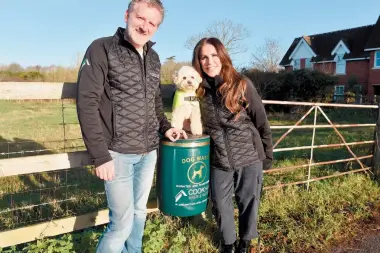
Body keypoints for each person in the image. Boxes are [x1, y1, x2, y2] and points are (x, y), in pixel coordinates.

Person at [76, 1, 187, 252]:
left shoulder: (154, 57)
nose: (145, 26)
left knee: (139, 214)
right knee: (121, 224)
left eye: (152, 23)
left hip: (148, 152)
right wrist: (100, 155)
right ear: (127, 15)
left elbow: (155, 102)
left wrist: (166, 127)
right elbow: (87, 102)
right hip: (117, 154)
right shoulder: (101, 48)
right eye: (141, 18)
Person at [192, 38, 273, 253]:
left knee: (248, 201)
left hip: (249, 155)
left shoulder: (241, 83)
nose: (209, 62)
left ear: (223, 56)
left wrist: (268, 155)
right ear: (198, 62)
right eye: (204, 57)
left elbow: (261, 121)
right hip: (219, 158)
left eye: (214, 56)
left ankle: (245, 242)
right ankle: (229, 243)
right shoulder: (198, 92)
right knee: (220, 203)